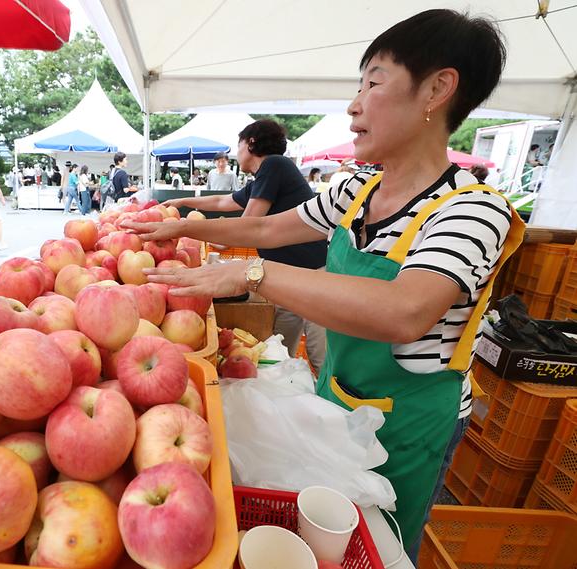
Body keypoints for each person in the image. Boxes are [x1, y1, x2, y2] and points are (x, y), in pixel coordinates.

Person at [122, 10, 523, 561]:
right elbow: (265, 226)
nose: (354, 104)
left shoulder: (472, 210)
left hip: (410, 424)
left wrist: (250, 271)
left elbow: (406, 310)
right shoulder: (357, 187)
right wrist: (181, 221)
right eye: (358, 85)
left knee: (379, 545)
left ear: (437, 88)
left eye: (374, 81)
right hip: (338, 393)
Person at [160, 119, 328, 371]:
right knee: (281, 353)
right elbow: (222, 202)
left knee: (320, 356)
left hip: (314, 274)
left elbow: (249, 224)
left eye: (237, 145)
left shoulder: (275, 164)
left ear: (250, 142)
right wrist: (184, 201)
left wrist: (195, 230)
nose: (236, 153)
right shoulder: (265, 177)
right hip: (286, 275)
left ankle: (333, 405)